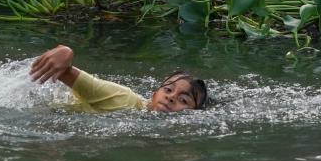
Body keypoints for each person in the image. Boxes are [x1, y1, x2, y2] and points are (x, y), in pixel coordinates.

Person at [29, 44, 208, 113]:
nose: (170, 97)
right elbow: (62, 70)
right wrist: (66, 52)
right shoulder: (123, 99)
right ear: (154, 94)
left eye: (183, 100)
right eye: (168, 90)